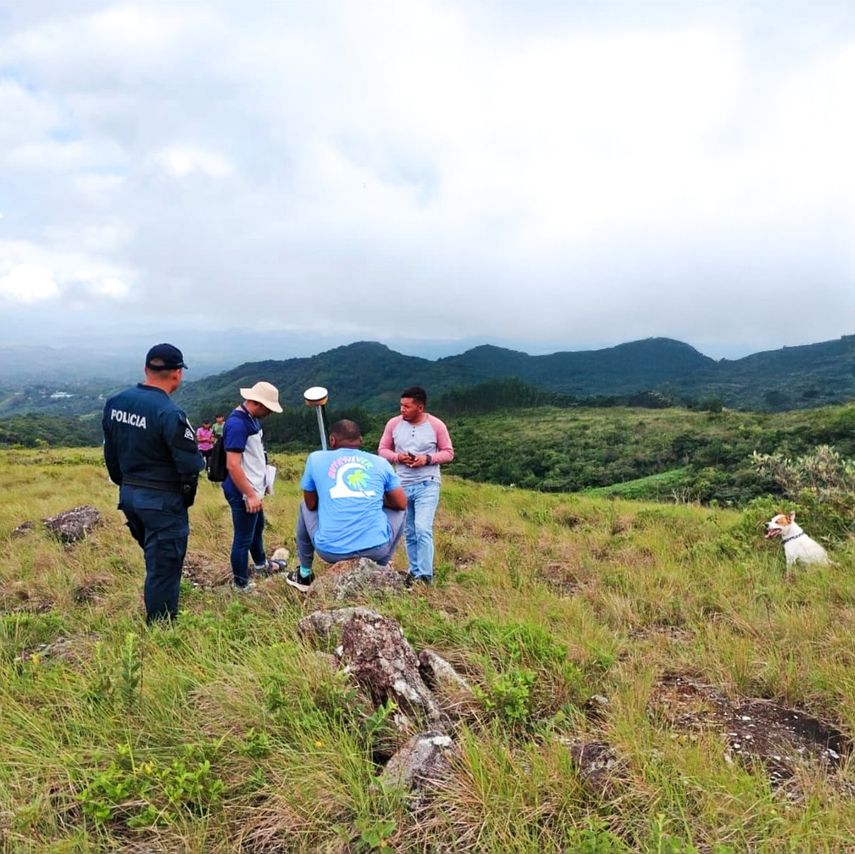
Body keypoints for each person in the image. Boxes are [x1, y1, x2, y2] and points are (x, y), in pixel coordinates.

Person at [102, 343, 204, 623]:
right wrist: (183, 501)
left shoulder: (115, 404)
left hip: (130, 496)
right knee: (164, 569)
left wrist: (126, 486)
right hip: (161, 502)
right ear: (177, 374)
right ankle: (161, 632)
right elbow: (189, 468)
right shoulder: (170, 414)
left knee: (156, 560)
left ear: (146, 369)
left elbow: (111, 455)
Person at [286, 419, 407, 592]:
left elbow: (311, 504)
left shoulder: (316, 458)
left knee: (303, 506)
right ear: (361, 440)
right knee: (401, 510)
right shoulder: (380, 462)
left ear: (332, 440)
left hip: (330, 551)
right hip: (376, 549)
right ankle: (381, 566)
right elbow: (401, 503)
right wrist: (378, 499)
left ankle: (304, 574)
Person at [378, 386, 454, 586]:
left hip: (427, 483)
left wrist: (427, 459)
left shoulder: (436, 425)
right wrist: (397, 457)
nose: (402, 410)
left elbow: (448, 453)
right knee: (409, 531)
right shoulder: (393, 424)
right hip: (401, 484)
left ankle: (426, 576)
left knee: (422, 528)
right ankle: (414, 571)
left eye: (407, 406)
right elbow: (382, 449)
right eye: (401, 405)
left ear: (420, 407)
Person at [222, 381, 285, 591]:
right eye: (268, 408)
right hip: (243, 491)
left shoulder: (250, 419)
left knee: (256, 528)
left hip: (254, 488)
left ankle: (261, 565)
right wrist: (249, 494)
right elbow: (232, 464)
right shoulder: (237, 424)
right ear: (258, 403)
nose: (269, 413)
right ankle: (241, 585)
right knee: (242, 538)